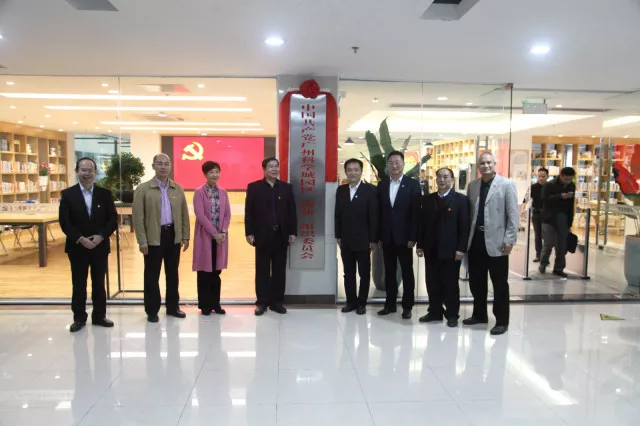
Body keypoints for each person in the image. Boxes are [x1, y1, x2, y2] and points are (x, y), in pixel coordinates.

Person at [59, 157, 117, 332]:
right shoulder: (68, 195)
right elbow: (65, 222)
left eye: (90, 170)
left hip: (100, 246)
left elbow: (112, 219)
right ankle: (79, 318)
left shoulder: (105, 194)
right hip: (77, 247)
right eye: (83, 170)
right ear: (77, 171)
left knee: (99, 283)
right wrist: (80, 239)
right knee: (79, 284)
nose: (87, 173)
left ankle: (99, 316)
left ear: (95, 172)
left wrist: (101, 236)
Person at [464, 152, 518, 336]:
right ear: (478, 166)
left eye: (489, 162)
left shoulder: (507, 185)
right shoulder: (473, 186)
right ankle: (479, 314)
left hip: (498, 242)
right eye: (482, 163)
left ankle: (502, 320)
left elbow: (513, 215)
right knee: (476, 281)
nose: (486, 166)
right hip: (476, 241)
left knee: (499, 284)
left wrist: (510, 239)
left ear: (495, 163)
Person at [133, 153, 190, 323]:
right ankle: (152, 310)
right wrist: (142, 240)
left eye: (166, 164)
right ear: (153, 166)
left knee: (172, 274)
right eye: (159, 164)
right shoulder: (143, 189)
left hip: (172, 236)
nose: (163, 167)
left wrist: (185, 236)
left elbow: (184, 214)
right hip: (153, 237)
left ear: (170, 166)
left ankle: (173, 307)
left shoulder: (177, 189)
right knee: (152, 276)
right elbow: (138, 217)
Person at [417, 167, 470, 327]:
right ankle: (435, 312)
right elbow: (422, 224)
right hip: (431, 248)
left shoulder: (461, 200)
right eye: (439, 176)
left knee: (450, 283)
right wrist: (420, 244)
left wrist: (461, 248)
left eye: (446, 177)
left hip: (451, 250)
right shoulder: (427, 199)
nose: (442, 180)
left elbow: (464, 226)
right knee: (432, 282)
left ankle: (452, 314)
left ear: (452, 180)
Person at [245, 157, 297, 316]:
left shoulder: (286, 188)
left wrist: (293, 232)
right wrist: (249, 232)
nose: (274, 169)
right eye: (271, 166)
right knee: (262, 270)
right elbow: (249, 212)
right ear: (264, 169)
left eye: (276, 166)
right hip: (262, 235)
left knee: (279, 271)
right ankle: (261, 303)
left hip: (281, 235)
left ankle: (277, 303)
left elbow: (292, 212)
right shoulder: (254, 188)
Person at [377, 150, 421, 319]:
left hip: (405, 238)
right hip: (387, 237)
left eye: (397, 162)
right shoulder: (382, 185)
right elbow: (379, 213)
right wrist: (379, 236)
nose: (394, 165)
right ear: (387, 166)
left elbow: (416, 213)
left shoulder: (413, 185)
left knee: (407, 272)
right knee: (389, 272)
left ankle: (407, 306)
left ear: (403, 164)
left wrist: (413, 237)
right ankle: (390, 304)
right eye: (391, 163)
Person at [335, 158, 379, 315]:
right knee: (348, 273)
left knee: (364, 274)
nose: (353, 172)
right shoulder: (341, 190)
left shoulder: (370, 190)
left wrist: (373, 239)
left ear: (361, 171)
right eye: (349, 170)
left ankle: (362, 303)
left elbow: (374, 216)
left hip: (364, 240)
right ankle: (351, 302)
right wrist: (338, 235)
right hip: (346, 239)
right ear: (346, 172)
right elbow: (338, 215)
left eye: (356, 169)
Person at [192, 161, 231, 315]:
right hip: (205, 237)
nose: (215, 175)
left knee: (216, 272)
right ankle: (205, 305)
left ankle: (216, 304)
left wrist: (223, 232)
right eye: (211, 172)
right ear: (205, 174)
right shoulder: (199, 192)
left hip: (220, 238)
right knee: (204, 272)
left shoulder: (223, 193)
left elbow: (227, 214)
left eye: (217, 172)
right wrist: (214, 233)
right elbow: (200, 215)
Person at [539, 167, 576, 278]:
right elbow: (544, 199)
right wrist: (560, 196)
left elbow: (571, 205)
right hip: (549, 218)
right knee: (548, 243)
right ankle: (543, 263)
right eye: (566, 179)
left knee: (562, 246)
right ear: (561, 176)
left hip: (563, 218)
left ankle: (559, 268)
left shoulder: (571, 186)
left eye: (570, 179)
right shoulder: (550, 185)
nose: (568, 182)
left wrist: (570, 221)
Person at [529, 168, 548, 262]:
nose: (541, 178)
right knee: (538, 235)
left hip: (548, 214)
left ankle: (545, 256)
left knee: (547, 236)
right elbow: (527, 199)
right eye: (539, 176)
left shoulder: (550, 187)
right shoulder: (533, 187)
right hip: (536, 213)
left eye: (543, 176)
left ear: (547, 176)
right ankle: (538, 254)